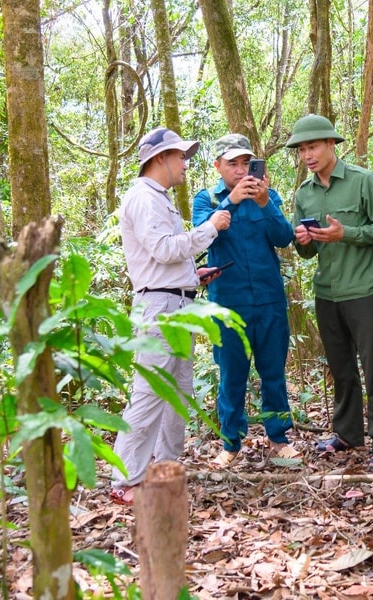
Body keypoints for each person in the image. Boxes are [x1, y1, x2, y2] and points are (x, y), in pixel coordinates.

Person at [110, 126, 231, 505]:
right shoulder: (143, 198)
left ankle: (164, 468)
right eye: (180, 156)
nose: (185, 163)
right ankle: (125, 479)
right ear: (160, 159)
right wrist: (209, 229)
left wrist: (190, 275)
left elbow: (163, 258)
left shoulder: (159, 198)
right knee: (149, 391)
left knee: (178, 390)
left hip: (176, 302)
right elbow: (163, 249)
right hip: (159, 308)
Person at [287, 114, 373, 472]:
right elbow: (306, 252)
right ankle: (347, 432)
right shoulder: (304, 194)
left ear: (331, 145)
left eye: (314, 146)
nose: (308, 155)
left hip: (363, 289)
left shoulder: (362, 180)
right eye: (302, 149)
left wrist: (345, 233)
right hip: (327, 293)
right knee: (341, 368)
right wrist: (303, 240)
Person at [192, 134, 297, 468]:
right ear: (218, 166)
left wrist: (265, 203)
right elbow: (201, 237)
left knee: (273, 372)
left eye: (245, 163)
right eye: (232, 164)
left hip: (269, 301)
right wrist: (232, 202)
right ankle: (231, 443)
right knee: (231, 374)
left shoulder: (269, 197)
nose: (240, 171)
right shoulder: (206, 199)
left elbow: (284, 238)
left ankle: (278, 438)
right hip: (228, 304)